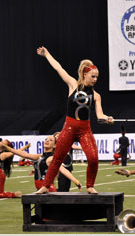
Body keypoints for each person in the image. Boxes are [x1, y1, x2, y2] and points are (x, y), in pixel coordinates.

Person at [35, 46, 114, 194]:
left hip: (85, 129)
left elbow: (100, 116)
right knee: (57, 158)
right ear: (85, 74)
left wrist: (107, 118)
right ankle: (46, 186)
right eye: (93, 76)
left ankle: (90, 186)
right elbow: (59, 68)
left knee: (93, 158)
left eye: (97, 77)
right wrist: (47, 54)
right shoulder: (73, 85)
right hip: (69, 128)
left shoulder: (96, 96)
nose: (95, 80)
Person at [4, 135, 82, 192]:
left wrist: (76, 181)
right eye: (46, 139)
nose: (47, 141)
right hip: (41, 187)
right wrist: (8, 148)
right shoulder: (40, 156)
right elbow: (24, 154)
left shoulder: (51, 158)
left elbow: (64, 170)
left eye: (50, 140)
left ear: (55, 145)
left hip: (47, 188)